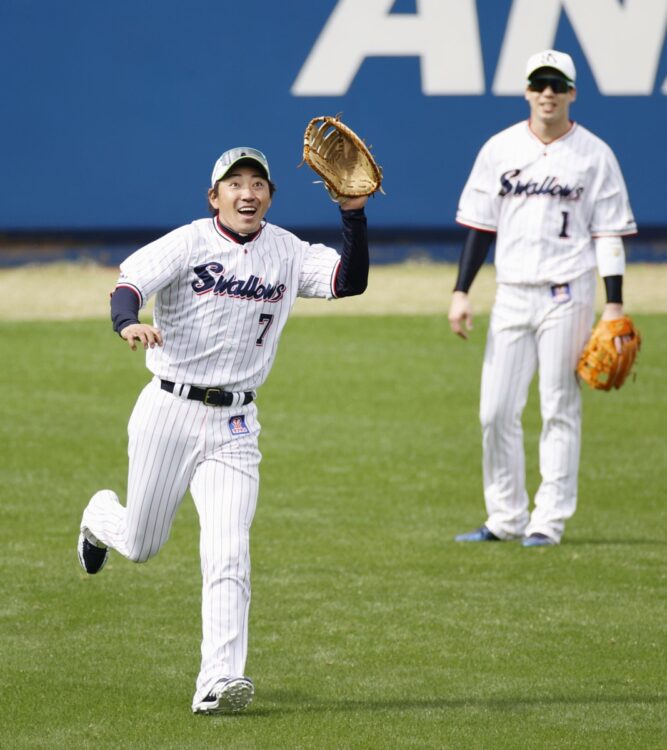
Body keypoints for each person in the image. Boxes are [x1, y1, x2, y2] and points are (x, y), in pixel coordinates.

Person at [76, 146, 372, 714]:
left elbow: (347, 281)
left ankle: (217, 681)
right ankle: (98, 516)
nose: (247, 192)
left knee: (228, 550)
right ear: (214, 197)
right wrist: (126, 324)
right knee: (141, 543)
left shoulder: (285, 250)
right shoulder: (189, 241)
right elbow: (129, 284)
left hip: (236, 424)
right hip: (168, 409)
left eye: (257, 183)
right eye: (234, 183)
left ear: (269, 196)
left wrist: (353, 214)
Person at [448, 50, 637, 548]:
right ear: (527, 91)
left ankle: (547, 520)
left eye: (558, 84)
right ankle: (505, 516)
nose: (548, 92)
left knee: (559, 406)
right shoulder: (500, 148)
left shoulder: (595, 154)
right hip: (510, 294)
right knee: (495, 410)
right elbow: (479, 227)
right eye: (540, 83)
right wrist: (461, 291)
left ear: (572, 92)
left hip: (567, 293)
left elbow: (610, 234)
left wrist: (613, 303)